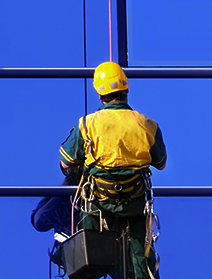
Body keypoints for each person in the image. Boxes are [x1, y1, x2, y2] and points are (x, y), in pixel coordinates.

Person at [57, 62, 167, 278]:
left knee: (87, 257)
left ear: (100, 95)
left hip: (97, 204)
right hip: (133, 204)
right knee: (141, 259)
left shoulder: (87, 125)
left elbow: (65, 164)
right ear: (126, 90)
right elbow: (161, 163)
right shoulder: (147, 125)